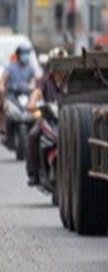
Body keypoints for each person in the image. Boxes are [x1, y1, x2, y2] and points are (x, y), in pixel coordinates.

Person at [25, 47, 67, 186]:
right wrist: (32, 104)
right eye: (56, 63)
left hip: (68, 119)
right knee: (33, 135)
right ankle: (33, 173)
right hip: (49, 118)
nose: (59, 68)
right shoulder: (44, 80)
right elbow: (36, 94)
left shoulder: (72, 81)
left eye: (62, 63)